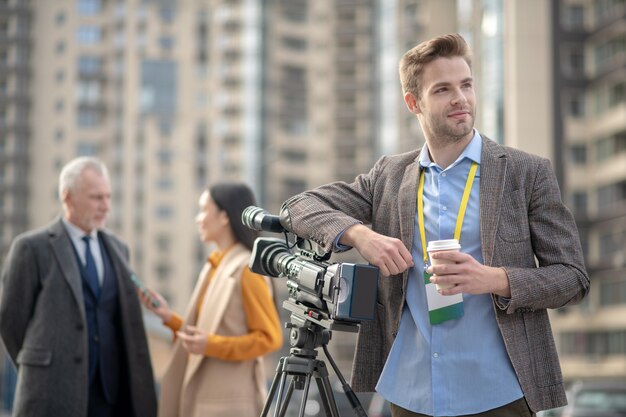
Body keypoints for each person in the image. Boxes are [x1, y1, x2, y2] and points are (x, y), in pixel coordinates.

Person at [279, 33, 589, 417]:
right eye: (443, 89)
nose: (460, 98)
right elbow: (298, 207)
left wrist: (494, 279)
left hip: (499, 391)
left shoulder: (527, 173)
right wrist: (360, 235)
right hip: (410, 393)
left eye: (466, 85)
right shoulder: (388, 176)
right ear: (414, 103)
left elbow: (573, 278)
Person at [0, 156, 157, 417]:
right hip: (52, 392)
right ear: (68, 197)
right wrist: (40, 365)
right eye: (96, 198)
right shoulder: (31, 248)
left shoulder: (119, 249)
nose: (106, 206)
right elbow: (11, 321)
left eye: (108, 197)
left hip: (110, 394)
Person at [138, 182, 283, 417]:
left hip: (230, 405)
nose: (199, 219)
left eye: (204, 210)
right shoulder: (216, 263)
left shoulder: (246, 269)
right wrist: (169, 319)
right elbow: (210, 332)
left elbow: (270, 338)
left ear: (224, 216)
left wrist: (211, 345)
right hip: (205, 400)